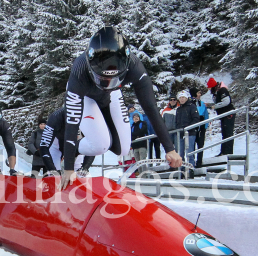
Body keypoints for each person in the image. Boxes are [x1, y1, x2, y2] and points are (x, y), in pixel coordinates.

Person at [59, 27, 180, 188]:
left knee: (123, 148)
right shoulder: (79, 72)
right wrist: (68, 168)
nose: (106, 84)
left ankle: (97, 137)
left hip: (113, 94)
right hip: (86, 96)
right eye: (102, 78)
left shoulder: (135, 67)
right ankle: (77, 150)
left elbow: (150, 108)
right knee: (101, 144)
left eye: (112, 78)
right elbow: (71, 121)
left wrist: (169, 148)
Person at [39, 106, 96, 173]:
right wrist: (52, 170)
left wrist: (85, 167)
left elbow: (93, 147)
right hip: (57, 147)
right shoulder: (55, 117)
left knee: (81, 176)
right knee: (55, 175)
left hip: (78, 148)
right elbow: (43, 146)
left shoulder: (89, 118)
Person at [208, 78, 236, 156]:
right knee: (224, 133)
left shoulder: (222, 90)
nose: (209, 89)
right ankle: (223, 151)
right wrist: (210, 105)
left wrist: (215, 106)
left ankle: (228, 152)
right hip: (224, 115)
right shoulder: (217, 92)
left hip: (228, 114)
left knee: (228, 133)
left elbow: (226, 101)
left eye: (209, 87)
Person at [174, 90, 201, 167]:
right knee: (180, 154)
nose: (182, 99)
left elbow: (196, 119)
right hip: (180, 134)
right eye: (180, 98)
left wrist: (189, 128)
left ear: (186, 98)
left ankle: (191, 169)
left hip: (190, 133)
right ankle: (182, 170)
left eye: (183, 97)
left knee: (189, 153)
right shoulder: (178, 109)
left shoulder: (191, 106)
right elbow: (177, 122)